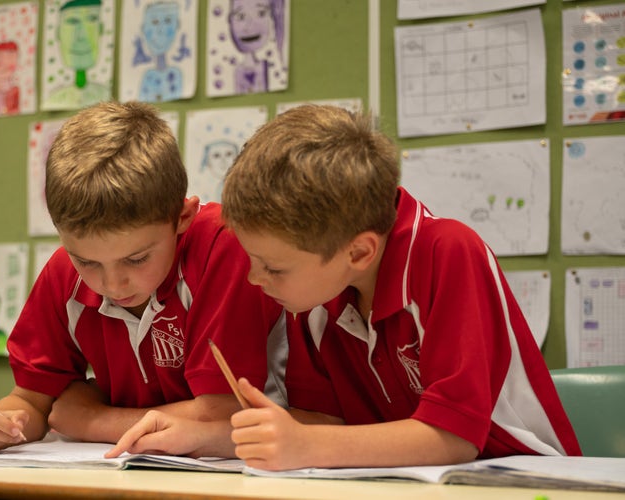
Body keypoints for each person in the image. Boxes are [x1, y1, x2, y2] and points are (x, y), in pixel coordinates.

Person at [112, 104, 581, 470]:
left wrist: (307, 444)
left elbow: (453, 438)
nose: (255, 279)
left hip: (522, 478)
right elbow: (322, 421)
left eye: (272, 267)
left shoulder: (448, 253)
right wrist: (202, 436)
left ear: (359, 252)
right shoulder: (316, 292)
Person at [0, 100, 286, 457]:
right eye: (87, 261)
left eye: (136, 259)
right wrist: (1, 425)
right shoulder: (63, 273)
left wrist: (91, 419)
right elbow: (34, 402)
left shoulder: (223, 246)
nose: (111, 284)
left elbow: (222, 414)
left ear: (182, 218)